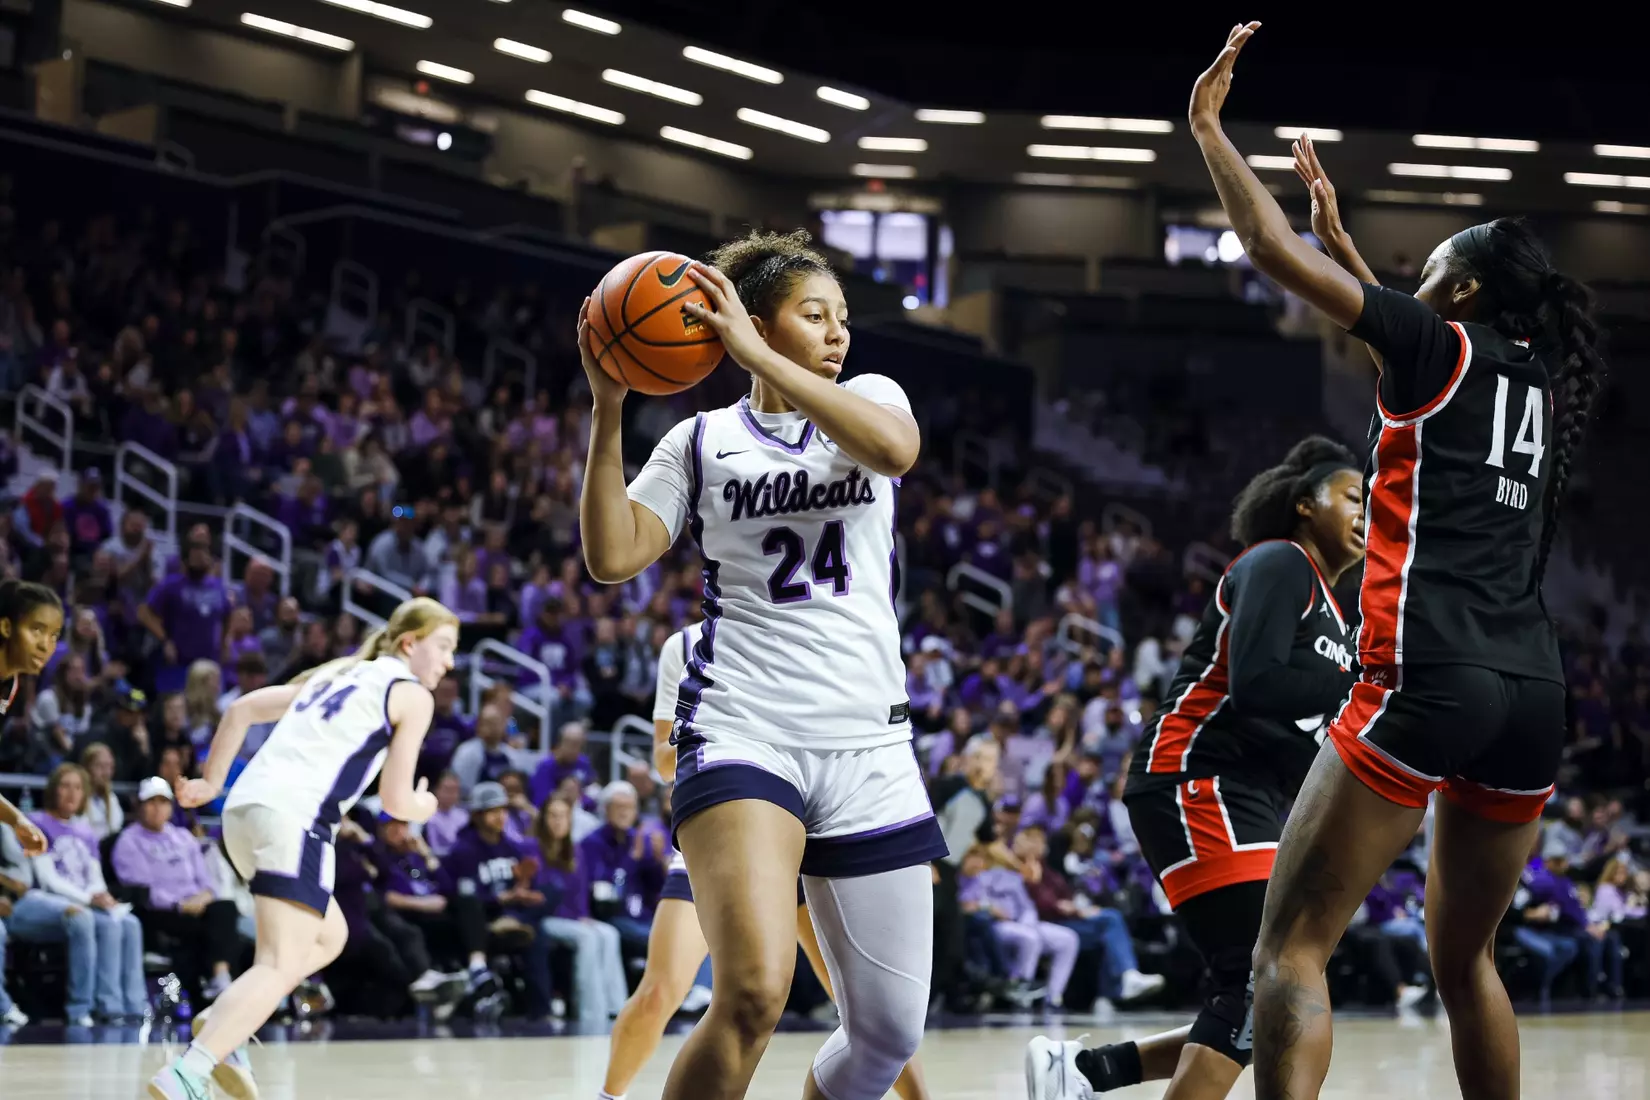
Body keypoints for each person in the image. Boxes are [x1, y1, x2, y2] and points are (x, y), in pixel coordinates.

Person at [1183, 24, 1606, 1100]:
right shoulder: (1534, 386)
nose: (1411, 289)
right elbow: (1405, 345)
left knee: (1291, 950)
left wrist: (1208, 131)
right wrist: (1354, 250)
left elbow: (1275, 256)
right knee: (1465, 960)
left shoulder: (1439, 347)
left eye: (1428, 274)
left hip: (1427, 673)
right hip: (1530, 688)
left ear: (1459, 297)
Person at [579, 229, 945, 1100]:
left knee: (887, 1035)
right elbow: (612, 554)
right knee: (751, 993)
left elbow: (896, 453)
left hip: (868, 744)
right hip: (745, 727)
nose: (837, 334)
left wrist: (769, 364)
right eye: (814, 315)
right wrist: (607, 409)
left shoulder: (869, 398)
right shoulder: (700, 443)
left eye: (841, 318)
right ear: (753, 322)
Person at [1028, 436, 1365, 1099]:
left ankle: (1088, 1073)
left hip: (1248, 792)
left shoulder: (1334, 611)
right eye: (1355, 496)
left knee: (1281, 995)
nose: (1369, 511)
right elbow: (1258, 683)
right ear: (1304, 503)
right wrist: (1367, 686)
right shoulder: (1280, 561)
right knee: (1257, 988)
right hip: (1196, 774)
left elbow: (1294, 726)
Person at [598, 623, 931, 1100]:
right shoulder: (688, 646)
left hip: (813, 830)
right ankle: (607, 1095)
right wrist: (712, 731)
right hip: (729, 824)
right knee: (661, 991)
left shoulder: (820, 624)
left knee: (864, 1003)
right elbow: (661, 757)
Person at [147, 597, 459, 1100]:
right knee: (279, 963)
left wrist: (211, 784)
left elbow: (243, 708)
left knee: (329, 935)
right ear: (410, 642)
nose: (447, 663)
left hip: (244, 813)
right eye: (443, 647)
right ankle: (189, 1071)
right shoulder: (411, 695)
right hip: (296, 819)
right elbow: (397, 799)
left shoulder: (338, 674)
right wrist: (425, 805)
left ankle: (222, 1015)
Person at [28, 762, 150, 1023]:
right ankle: (90, 1006)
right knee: (100, 922)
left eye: (78, 788)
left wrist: (102, 897)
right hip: (50, 900)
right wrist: (89, 899)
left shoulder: (86, 831)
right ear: (53, 790)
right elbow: (47, 879)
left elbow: (94, 877)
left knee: (129, 923)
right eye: (65, 786)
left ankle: (131, 1005)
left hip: (86, 899)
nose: (72, 793)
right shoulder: (37, 823)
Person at [112, 777, 243, 1004]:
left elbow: (206, 879)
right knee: (214, 927)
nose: (157, 808)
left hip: (197, 904)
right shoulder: (129, 841)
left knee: (226, 909)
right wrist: (179, 904)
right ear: (140, 806)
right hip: (161, 910)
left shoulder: (183, 837)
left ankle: (220, 977)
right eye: (151, 802)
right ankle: (214, 983)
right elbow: (142, 888)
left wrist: (204, 896)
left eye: (163, 802)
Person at [535, 795, 628, 1023]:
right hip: (546, 919)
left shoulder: (575, 851)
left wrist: (582, 915)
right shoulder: (533, 848)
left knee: (609, 933)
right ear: (543, 819)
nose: (558, 822)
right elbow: (544, 895)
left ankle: (616, 1008)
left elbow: (580, 893)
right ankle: (590, 1010)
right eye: (553, 816)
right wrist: (577, 918)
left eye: (563, 816)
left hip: (573, 918)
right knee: (588, 937)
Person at [0, 580, 64, 858]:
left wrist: (17, 820)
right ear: (6, 627)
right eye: (36, 630)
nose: (45, 646)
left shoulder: (11, 686)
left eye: (54, 635)